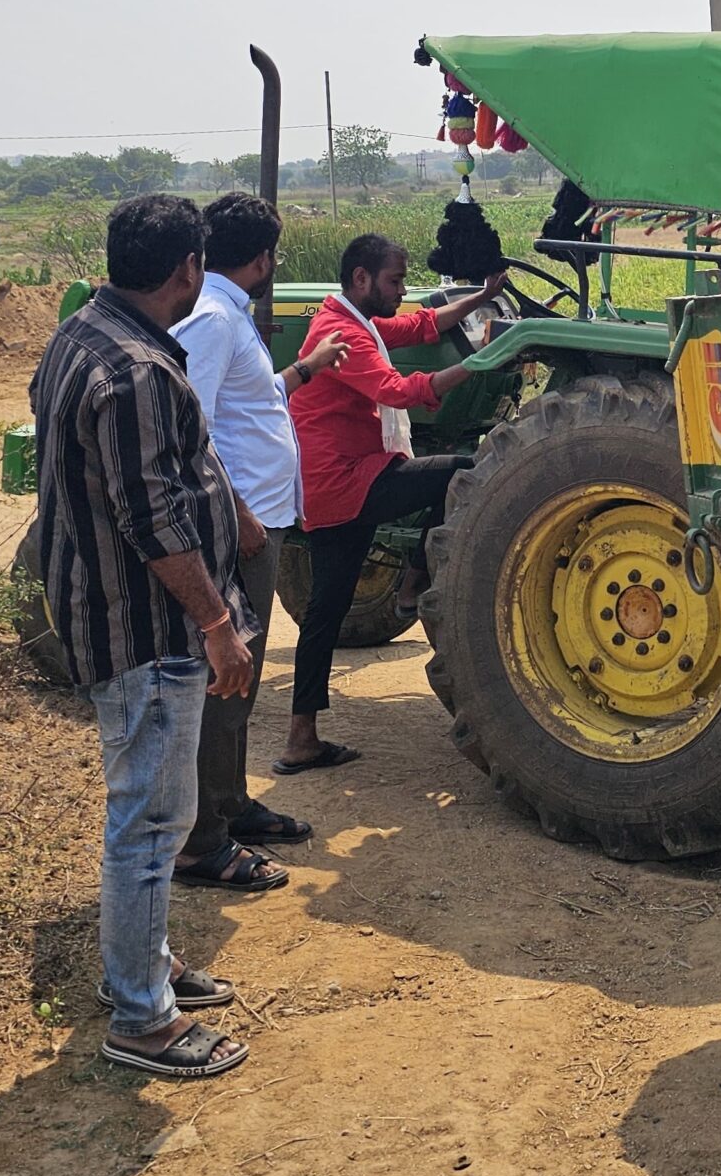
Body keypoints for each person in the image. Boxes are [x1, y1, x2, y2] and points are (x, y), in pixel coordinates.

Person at [28, 192, 256, 1080]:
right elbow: (153, 518)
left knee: (150, 817)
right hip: (146, 629)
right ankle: (141, 1022)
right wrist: (215, 622)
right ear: (188, 271)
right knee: (150, 824)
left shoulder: (82, 334)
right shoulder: (134, 371)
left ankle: (143, 968)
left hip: (110, 613)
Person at [168, 192, 350, 893]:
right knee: (226, 680)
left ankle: (230, 803)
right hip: (240, 528)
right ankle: (202, 844)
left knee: (240, 683)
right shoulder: (214, 320)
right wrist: (240, 513)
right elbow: (194, 427)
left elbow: (249, 401)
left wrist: (307, 369)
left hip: (260, 520)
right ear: (265, 258)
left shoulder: (225, 313)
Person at [280, 233, 506, 772]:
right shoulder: (340, 334)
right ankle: (413, 578)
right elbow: (401, 393)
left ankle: (299, 739)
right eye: (395, 281)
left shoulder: (357, 323)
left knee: (325, 611)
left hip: (348, 476)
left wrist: (480, 298)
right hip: (346, 482)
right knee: (467, 471)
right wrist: (484, 364)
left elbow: (422, 326)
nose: (402, 292)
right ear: (361, 279)